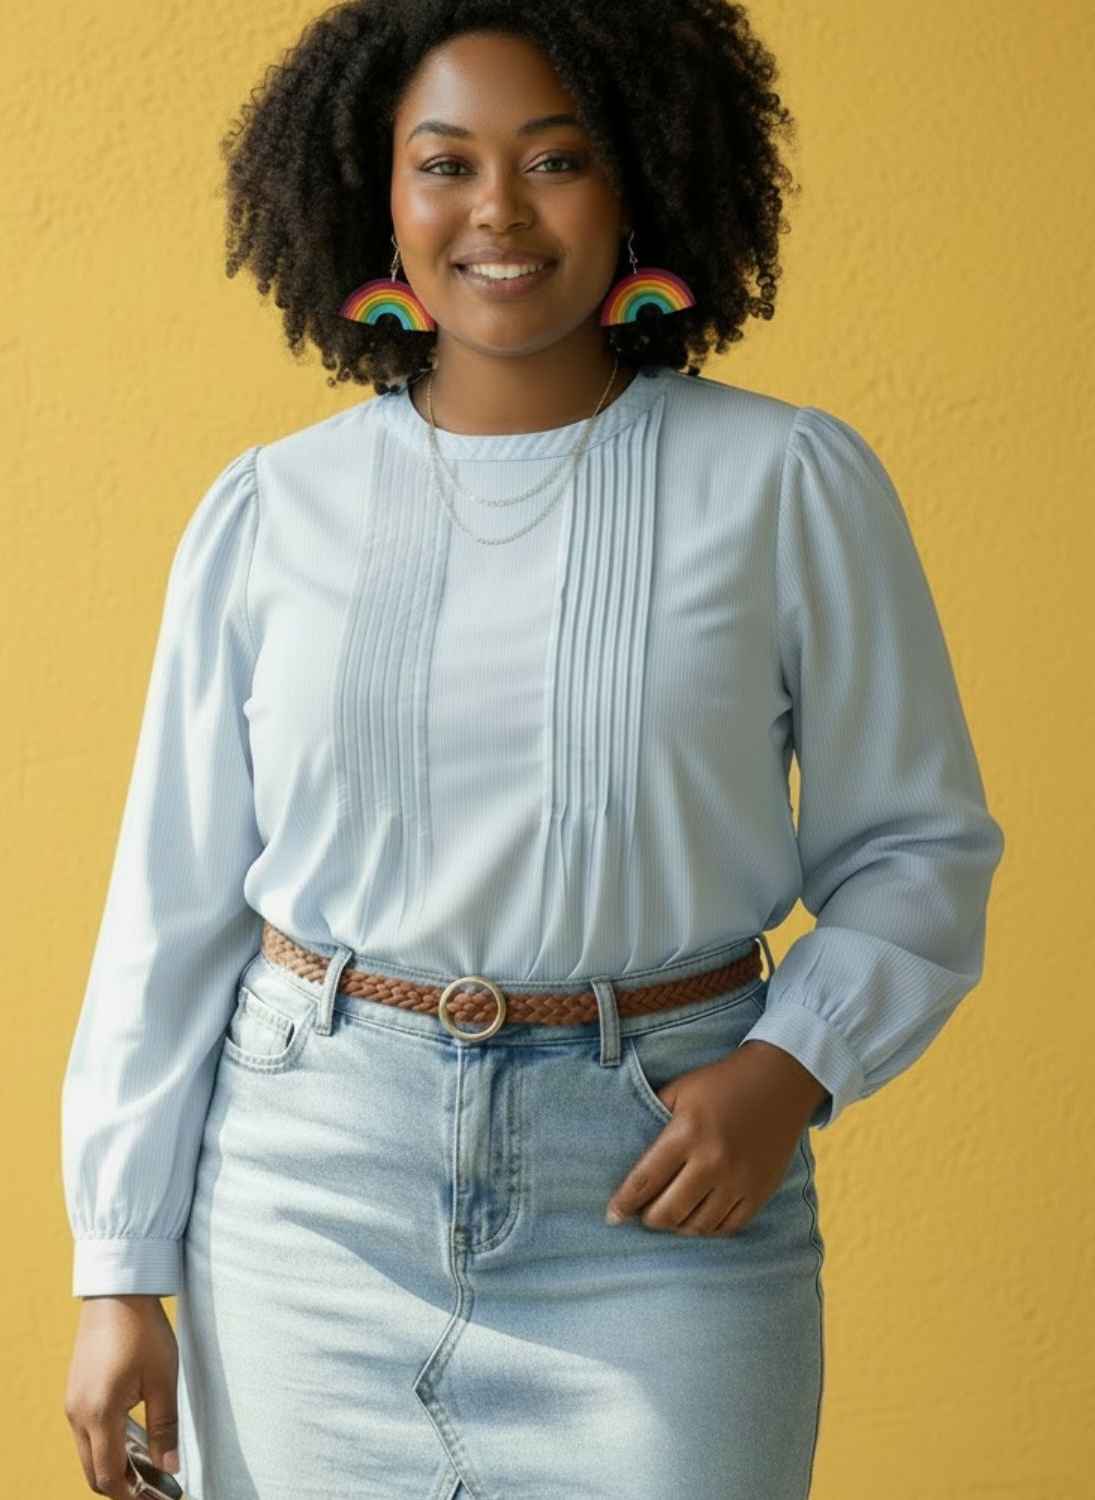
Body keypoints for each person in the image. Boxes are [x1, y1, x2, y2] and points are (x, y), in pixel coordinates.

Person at [61, 3, 1006, 1497]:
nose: (496, 210)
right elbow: (172, 910)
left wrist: (791, 1068)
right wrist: (119, 1264)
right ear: (378, 199)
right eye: (445, 164)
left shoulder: (785, 482)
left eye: (555, 159)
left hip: (660, 1197)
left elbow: (920, 849)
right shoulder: (270, 510)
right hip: (308, 1199)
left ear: (639, 184)